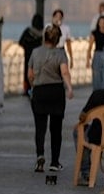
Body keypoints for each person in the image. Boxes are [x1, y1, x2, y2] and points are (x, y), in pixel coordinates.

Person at [29, 24, 75, 173]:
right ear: (57, 39)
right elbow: (65, 73)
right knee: (56, 129)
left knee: (40, 127)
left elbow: (30, 75)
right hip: (56, 92)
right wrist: (69, 88)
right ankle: (54, 162)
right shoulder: (61, 54)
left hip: (40, 91)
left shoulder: (35, 52)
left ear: (45, 37)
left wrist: (33, 86)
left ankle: (40, 155)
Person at [74, 60, 104, 186]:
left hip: (99, 137)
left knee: (79, 131)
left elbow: (82, 116)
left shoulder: (98, 95)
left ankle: (86, 173)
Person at [87, 15, 104, 91]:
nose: (102, 24)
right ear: (98, 23)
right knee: (96, 75)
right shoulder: (95, 33)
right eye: (100, 22)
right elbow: (90, 47)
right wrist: (88, 59)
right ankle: (97, 93)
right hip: (98, 55)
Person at [19, 14, 45, 96]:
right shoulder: (43, 34)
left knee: (27, 72)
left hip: (28, 56)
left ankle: (27, 89)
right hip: (39, 57)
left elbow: (21, 42)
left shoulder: (28, 31)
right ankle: (37, 88)